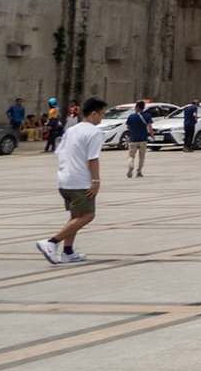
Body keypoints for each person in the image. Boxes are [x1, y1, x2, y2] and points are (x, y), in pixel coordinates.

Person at [38, 96, 109, 265]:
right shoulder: (94, 132)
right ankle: (51, 242)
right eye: (102, 114)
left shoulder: (72, 130)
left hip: (64, 180)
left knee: (76, 216)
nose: (102, 117)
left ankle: (68, 252)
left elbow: (60, 153)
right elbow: (93, 158)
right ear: (93, 114)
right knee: (88, 215)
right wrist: (96, 181)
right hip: (80, 181)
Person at [123, 100, 151, 178]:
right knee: (141, 156)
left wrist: (132, 131)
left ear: (137, 108)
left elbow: (128, 127)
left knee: (131, 156)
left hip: (133, 139)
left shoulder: (131, 116)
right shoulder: (147, 116)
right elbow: (149, 126)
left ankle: (131, 166)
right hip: (143, 139)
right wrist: (152, 135)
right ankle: (139, 171)